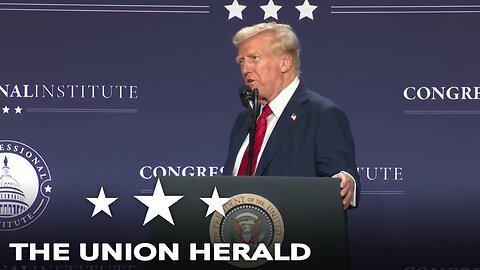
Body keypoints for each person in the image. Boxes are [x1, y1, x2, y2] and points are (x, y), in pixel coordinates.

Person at [222, 22, 360, 209]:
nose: (245, 68)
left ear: (285, 63)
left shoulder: (322, 114)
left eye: (254, 58)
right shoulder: (244, 119)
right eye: (241, 61)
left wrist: (345, 181)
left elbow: (340, 174)